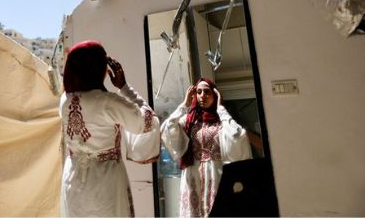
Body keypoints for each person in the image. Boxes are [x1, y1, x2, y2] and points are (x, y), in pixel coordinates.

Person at [60, 40, 160, 217]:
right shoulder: (108, 102)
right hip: (105, 182)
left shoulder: (64, 101)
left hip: (73, 180)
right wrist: (124, 87)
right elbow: (147, 122)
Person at [161, 78, 251, 217]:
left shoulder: (221, 121)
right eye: (199, 92)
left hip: (216, 174)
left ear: (215, 96)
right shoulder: (189, 120)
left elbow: (237, 135)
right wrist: (185, 104)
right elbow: (168, 128)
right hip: (192, 175)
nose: (202, 95)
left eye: (207, 92)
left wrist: (220, 108)